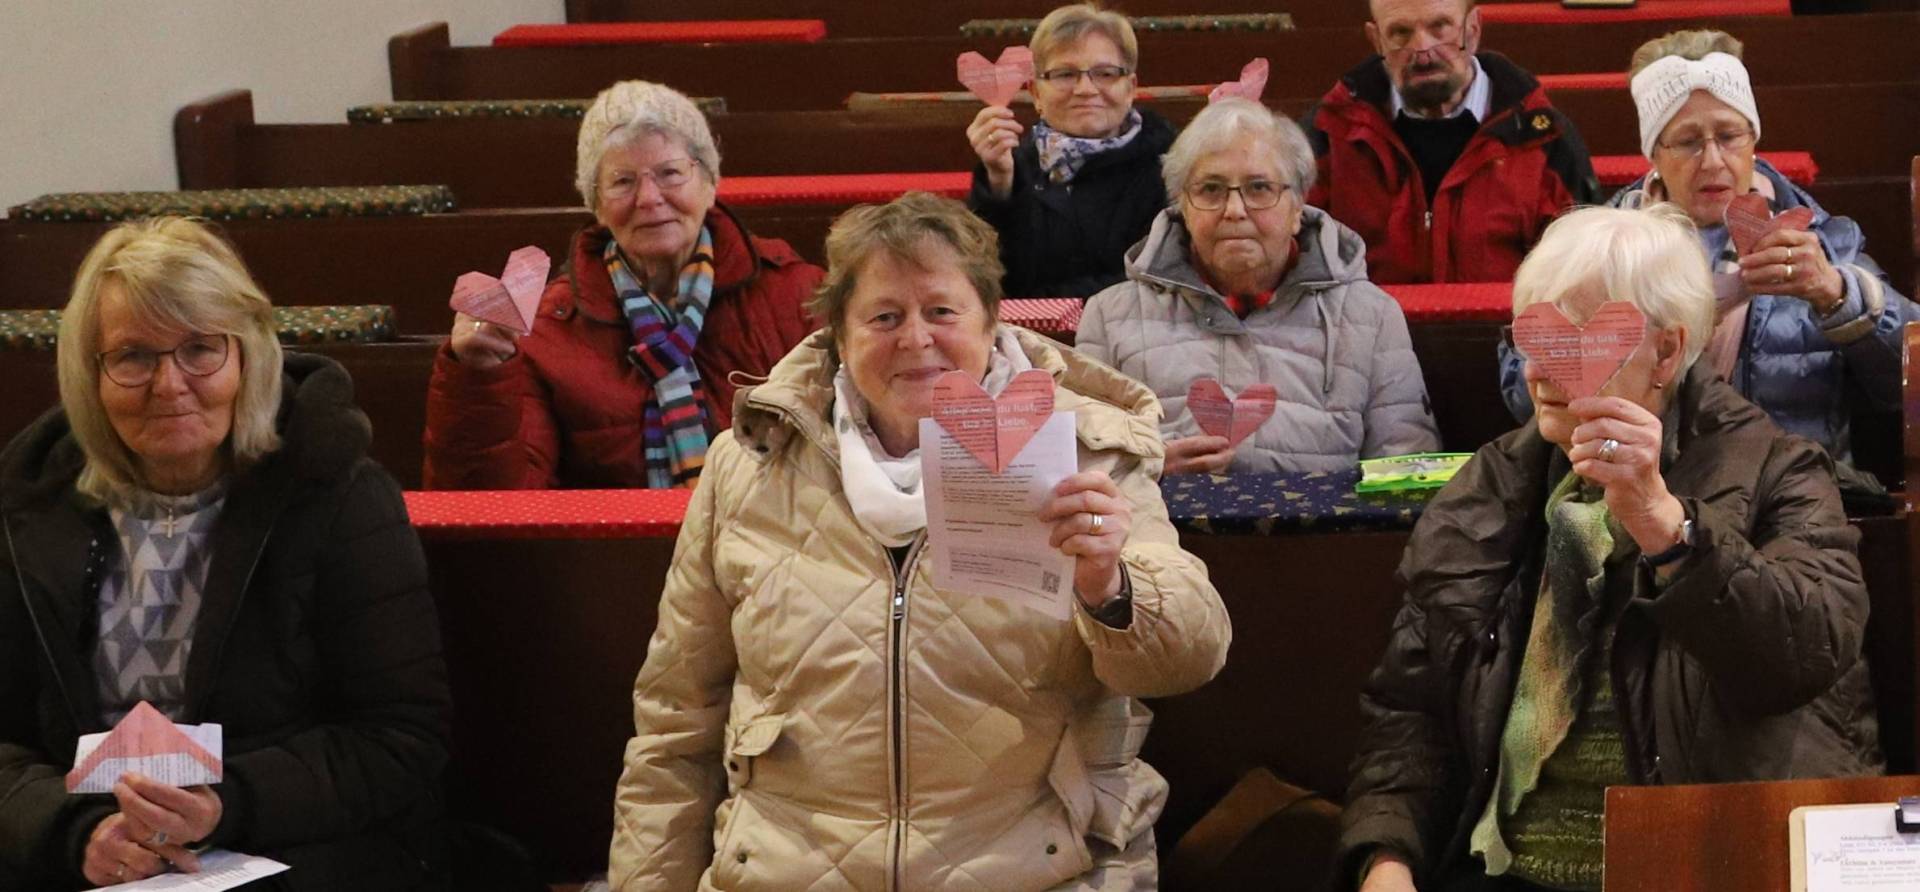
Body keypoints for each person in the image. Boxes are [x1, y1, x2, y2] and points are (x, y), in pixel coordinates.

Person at [607, 193, 1230, 889]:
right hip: (786, 869)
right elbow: (674, 724)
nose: (915, 339)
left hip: (1038, 866)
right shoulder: (746, 464)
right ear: (838, 337)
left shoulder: (1089, 453)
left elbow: (1189, 660)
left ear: (992, 322)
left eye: (941, 311)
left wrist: (1112, 590)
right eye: (883, 316)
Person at [1340, 205, 1880, 892]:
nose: (1540, 372)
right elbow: (1412, 709)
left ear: (1664, 351)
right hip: (1503, 869)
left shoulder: (1781, 470)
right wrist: (1386, 857)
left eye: (1576, 340)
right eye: (1531, 337)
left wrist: (1665, 523)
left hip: (1707, 859)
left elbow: (1803, 656)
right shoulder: (1493, 484)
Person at [0, 218, 450, 890]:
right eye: (132, 357)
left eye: (200, 350)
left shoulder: (337, 492)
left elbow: (400, 738)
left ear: (247, 356)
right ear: (87, 375)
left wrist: (223, 804)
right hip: (87, 851)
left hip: (285, 844)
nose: (169, 384)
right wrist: (77, 832)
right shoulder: (27, 504)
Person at [1498, 29, 1919, 468]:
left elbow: (1907, 385)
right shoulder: (1591, 252)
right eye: (1687, 141)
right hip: (1643, 482)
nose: (1714, 160)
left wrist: (1837, 295)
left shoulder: (1825, 241)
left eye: (1730, 135)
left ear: (1754, 142)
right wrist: (1649, 334)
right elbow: (1523, 398)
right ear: (1653, 155)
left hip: (1798, 493)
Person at [424, 79, 821, 489]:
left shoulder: (795, 295)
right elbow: (500, 505)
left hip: (778, 546)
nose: (649, 198)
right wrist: (479, 378)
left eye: (670, 173)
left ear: (709, 184)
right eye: (623, 181)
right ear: (595, 204)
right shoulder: (547, 331)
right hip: (624, 550)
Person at [1078, 98, 1440, 475]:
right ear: (1183, 207)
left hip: (1331, 533)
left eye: (1259, 188)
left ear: (1298, 207)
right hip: (1165, 531)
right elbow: (1082, 473)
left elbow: (1408, 471)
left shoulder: (1371, 315)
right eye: (1211, 189)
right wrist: (1148, 469)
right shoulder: (1109, 316)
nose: (1234, 209)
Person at [1306, 0, 1599, 284]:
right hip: (1364, 332)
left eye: (1440, 27)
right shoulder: (1329, 134)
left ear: (1472, 30)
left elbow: (1584, 270)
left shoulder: (1544, 138)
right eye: (1400, 33)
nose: (1422, 50)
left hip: (1504, 330)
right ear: (1377, 40)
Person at [966, 2, 1177, 299]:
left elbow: (1160, 278)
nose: (1086, 89)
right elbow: (988, 281)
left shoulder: (1171, 166)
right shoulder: (1014, 166)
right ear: (1036, 93)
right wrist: (1001, 185)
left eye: (1104, 74)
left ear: (1130, 88)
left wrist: (1054, 303)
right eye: (1065, 74)